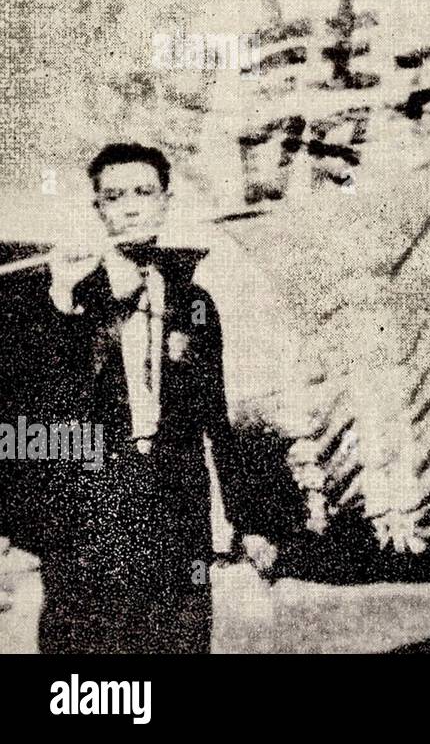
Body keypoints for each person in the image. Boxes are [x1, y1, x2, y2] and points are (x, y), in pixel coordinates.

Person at [0, 143, 278, 653]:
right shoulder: (62, 296)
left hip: (177, 514)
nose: (130, 207)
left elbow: (215, 419)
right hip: (89, 517)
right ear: (97, 210)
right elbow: (36, 415)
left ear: (166, 202)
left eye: (144, 193)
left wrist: (248, 521)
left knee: (180, 642)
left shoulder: (193, 303)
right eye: (114, 197)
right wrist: (61, 303)